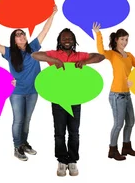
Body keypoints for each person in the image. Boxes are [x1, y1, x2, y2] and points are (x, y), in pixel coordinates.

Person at [31, 28, 105, 176]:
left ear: (73, 41)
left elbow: (100, 57)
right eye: (64, 38)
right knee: (59, 132)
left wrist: (85, 61)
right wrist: (53, 60)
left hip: (76, 98)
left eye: (70, 38)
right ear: (59, 41)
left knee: (74, 132)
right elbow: (34, 54)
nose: (67, 41)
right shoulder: (54, 54)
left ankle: (72, 160)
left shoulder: (79, 55)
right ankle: (61, 160)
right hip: (58, 99)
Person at [0, 5, 57, 161]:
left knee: (27, 120)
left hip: (33, 91)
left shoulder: (33, 47)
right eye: (18, 35)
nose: (21, 36)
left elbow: (44, 31)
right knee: (18, 120)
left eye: (23, 34)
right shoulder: (9, 53)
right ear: (14, 39)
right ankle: (17, 146)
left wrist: (52, 14)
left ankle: (24, 143)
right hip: (17, 93)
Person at [92, 23, 135, 161]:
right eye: (122, 39)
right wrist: (98, 33)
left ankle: (126, 147)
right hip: (116, 95)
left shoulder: (129, 55)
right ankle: (112, 150)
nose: (124, 42)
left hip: (127, 94)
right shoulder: (112, 54)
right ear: (116, 40)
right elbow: (101, 51)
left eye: (126, 39)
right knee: (118, 124)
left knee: (131, 121)